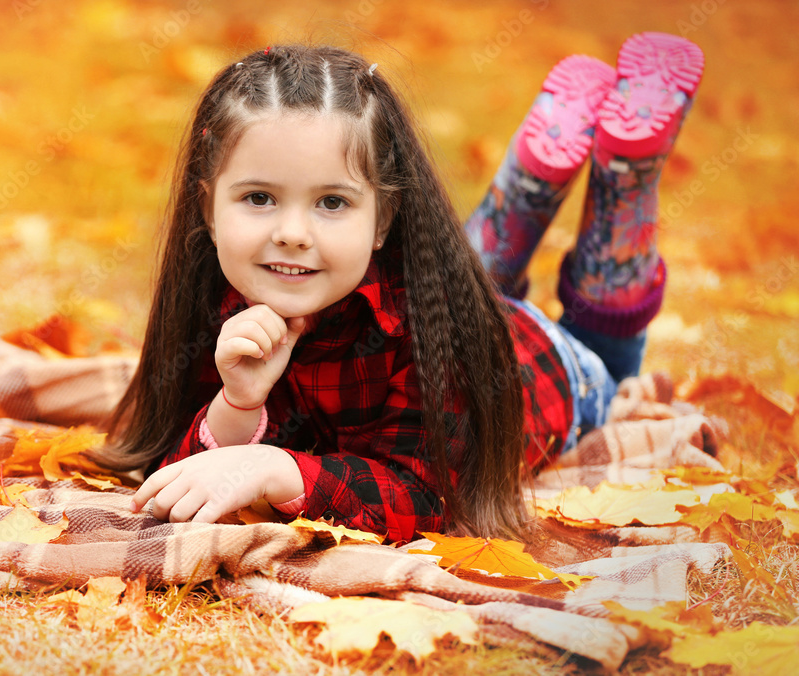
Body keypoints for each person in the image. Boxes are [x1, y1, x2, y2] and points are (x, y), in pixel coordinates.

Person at [99, 34, 703, 544]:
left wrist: (279, 467)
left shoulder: (421, 333)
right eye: (259, 198)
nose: (291, 234)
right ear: (208, 206)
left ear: (384, 218)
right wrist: (237, 405)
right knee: (476, 275)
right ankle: (531, 179)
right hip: (472, 306)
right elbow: (179, 475)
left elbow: (420, 496)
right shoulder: (215, 295)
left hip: (557, 367)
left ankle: (626, 176)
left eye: (331, 202)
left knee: (605, 326)